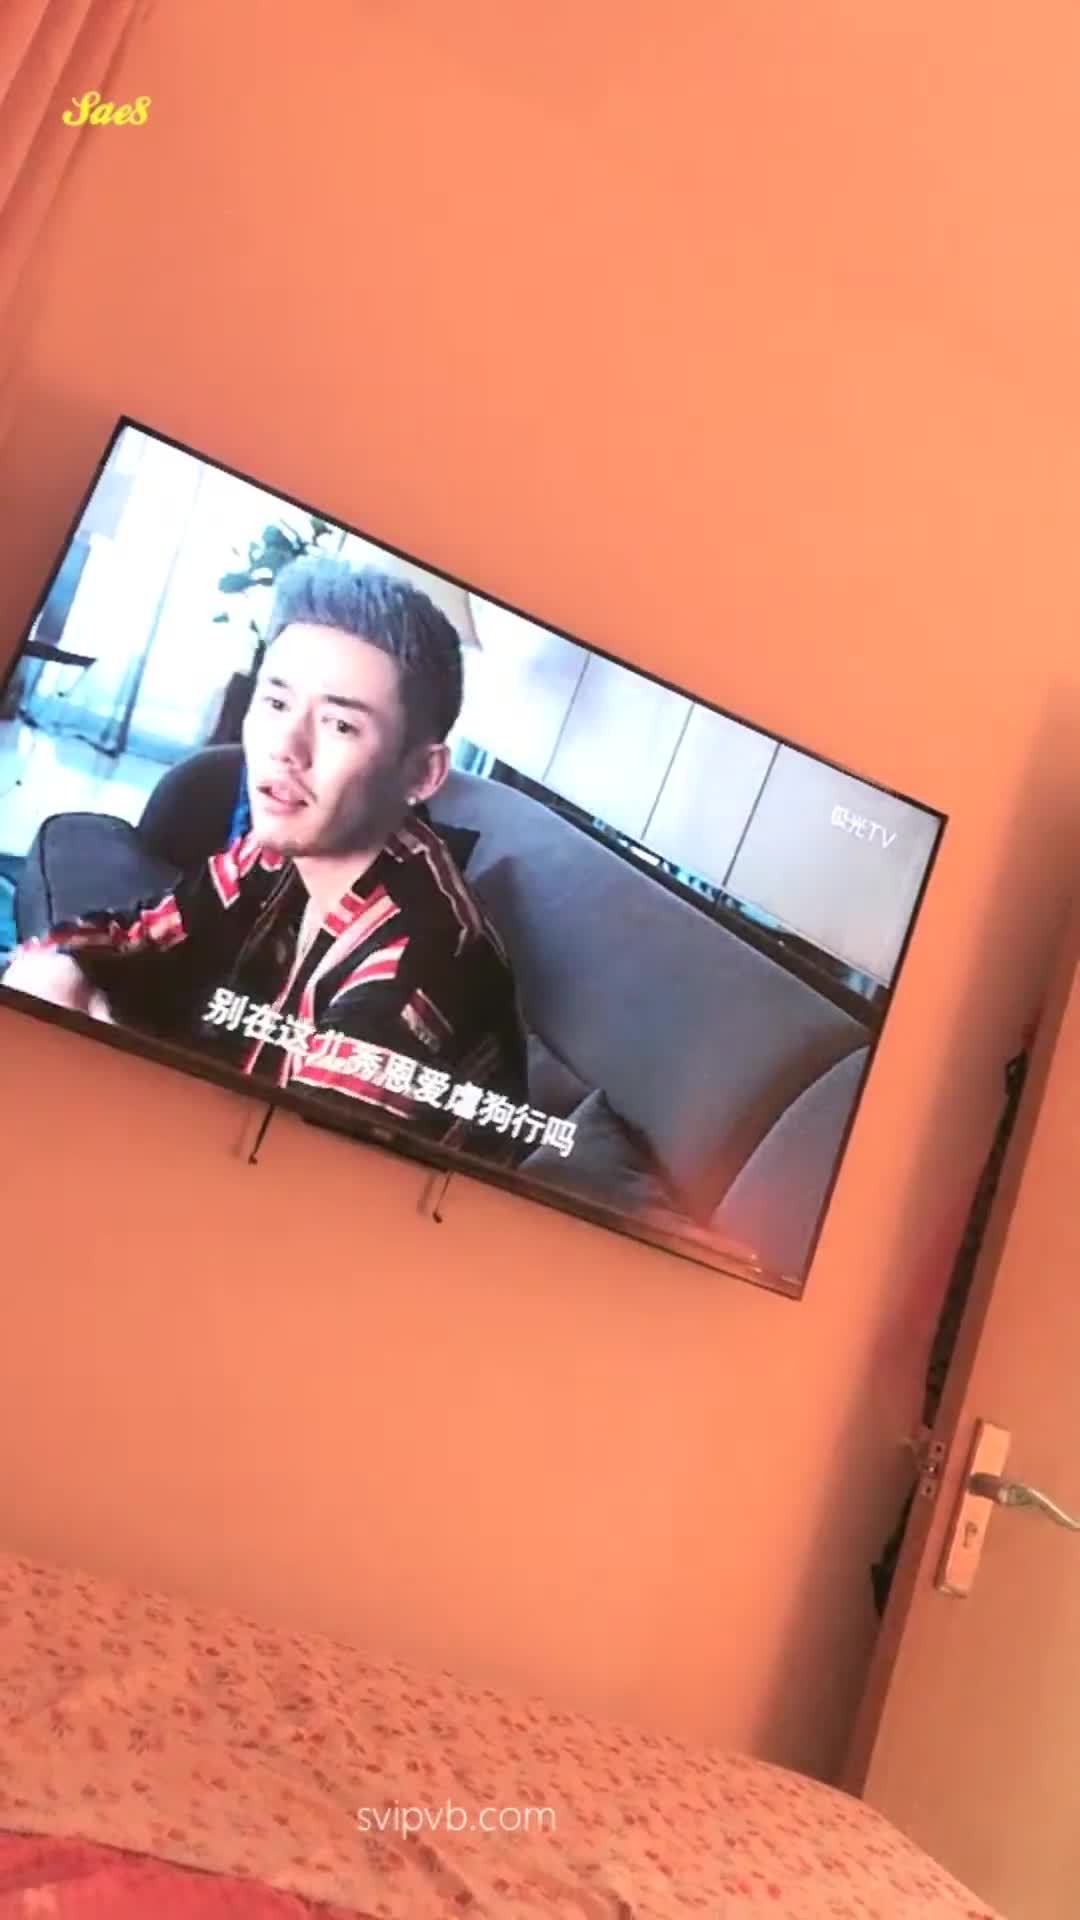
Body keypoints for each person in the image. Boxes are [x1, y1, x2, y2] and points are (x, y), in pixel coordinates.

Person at [4, 557, 529, 1156]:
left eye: (340, 725)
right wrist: (63, 966)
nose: (286, 748)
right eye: (276, 704)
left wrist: (99, 1038)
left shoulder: (416, 970)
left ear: (422, 773)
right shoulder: (287, 846)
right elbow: (140, 932)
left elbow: (275, 1177)